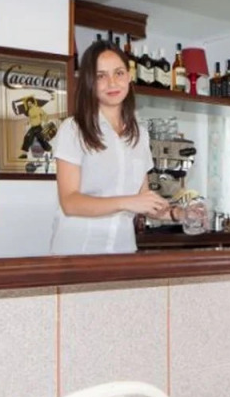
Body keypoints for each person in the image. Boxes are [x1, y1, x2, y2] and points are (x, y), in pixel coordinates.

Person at [50, 40, 169, 254]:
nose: (112, 83)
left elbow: (144, 200)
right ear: (89, 82)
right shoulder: (73, 129)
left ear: (129, 76)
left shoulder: (140, 134)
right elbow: (70, 202)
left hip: (123, 253)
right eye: (101, 76)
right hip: (78, 253)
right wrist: (127, 202)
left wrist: (179, 214)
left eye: (119, 73)